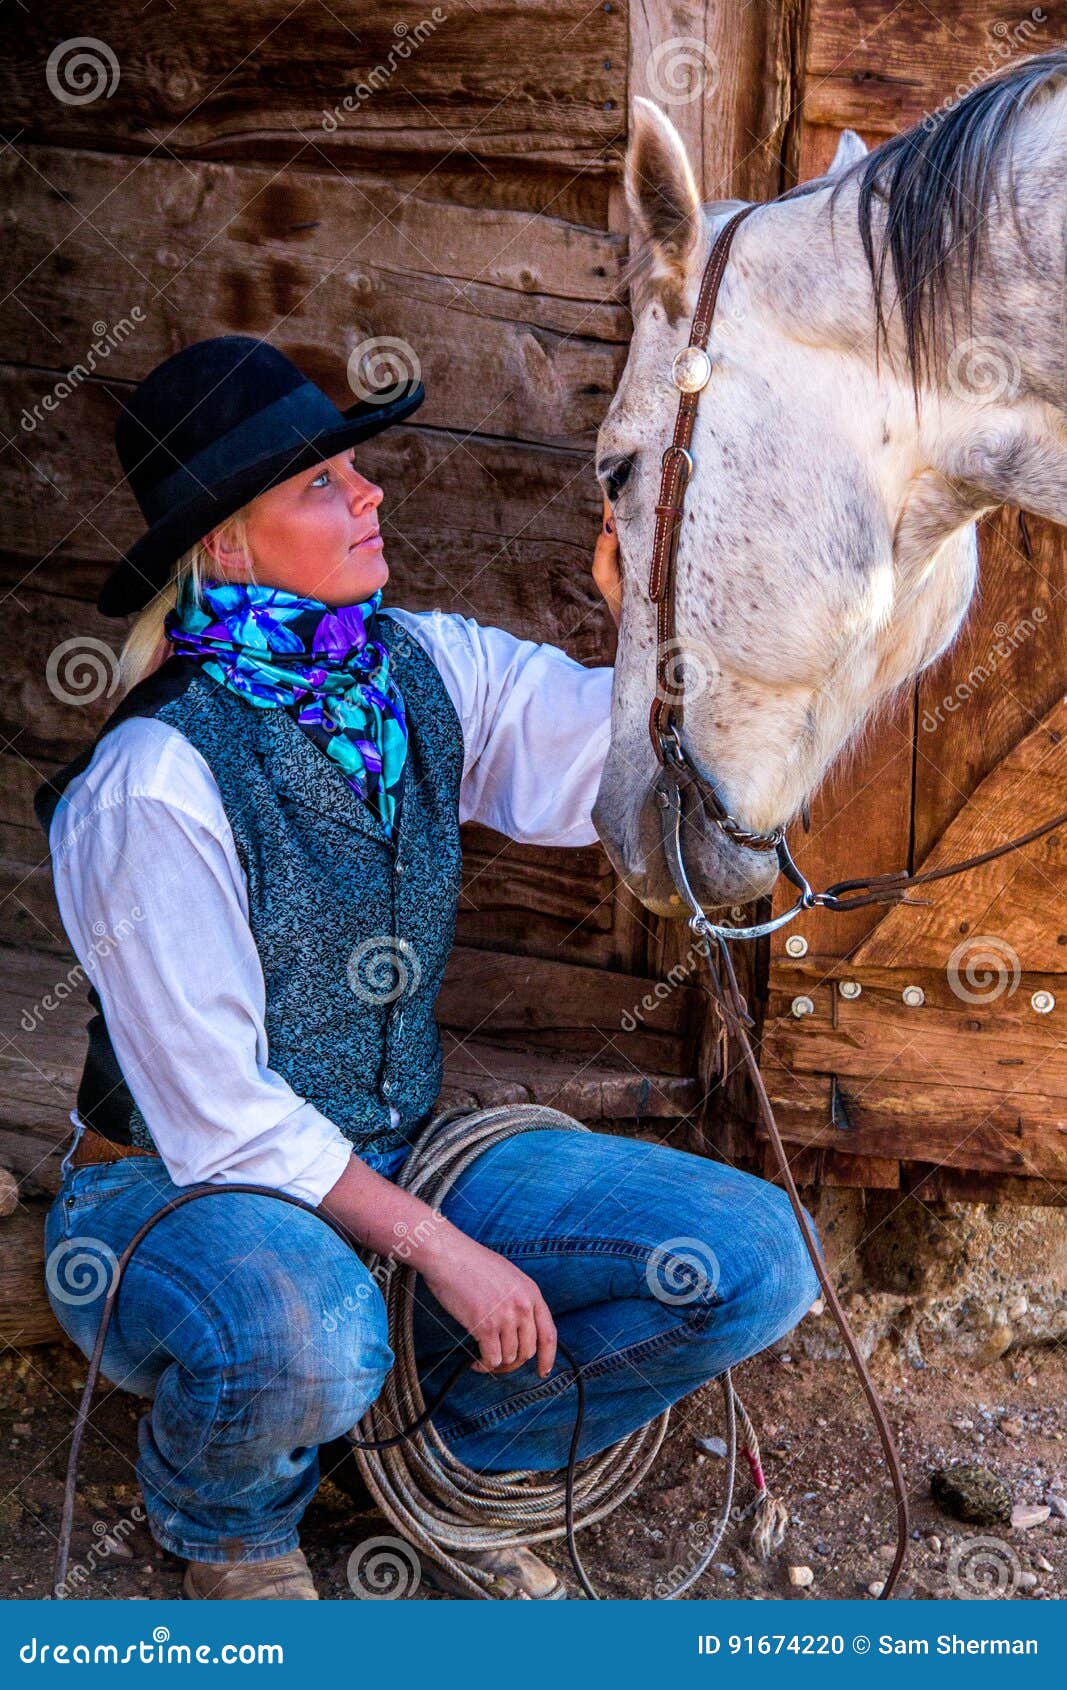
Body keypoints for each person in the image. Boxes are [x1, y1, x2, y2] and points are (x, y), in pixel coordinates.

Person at [36, 336, 821, 1601]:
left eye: (358, 470)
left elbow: (588, 767)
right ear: (224, 544)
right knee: (311, 1329)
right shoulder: (152, 783)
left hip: (397, 1148)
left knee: (757, 1254)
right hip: (170, 1197)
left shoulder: (413, 667)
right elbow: (222, 1126)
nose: (372, 496)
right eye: (321, 485)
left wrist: (651, 630)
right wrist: (445, 1252)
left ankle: (429, 1461)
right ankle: (228, 1526)